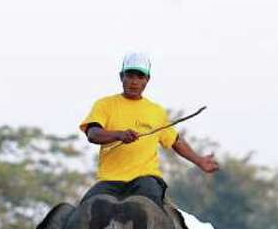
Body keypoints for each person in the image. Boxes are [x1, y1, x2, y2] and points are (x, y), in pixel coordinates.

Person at [79, 52, 218, 207]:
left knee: (150, 210)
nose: (134, 81)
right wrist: (119, 135)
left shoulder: (155, 111)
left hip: (145, 180)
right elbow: (93, 134)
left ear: (147, 80)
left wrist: (199, 160)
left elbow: (175, 141)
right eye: (130, 76)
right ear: (121, 77)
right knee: (85, 212)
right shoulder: (104, 105)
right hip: (109, 181)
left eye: (140, 77)